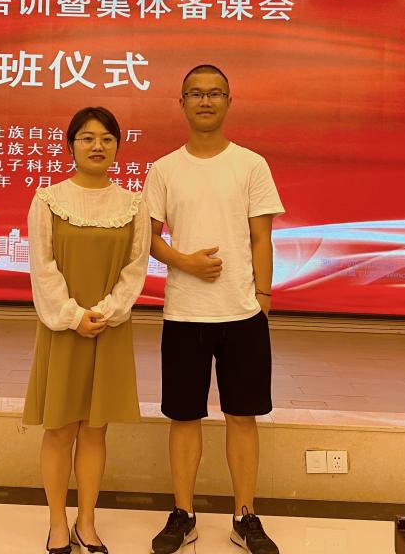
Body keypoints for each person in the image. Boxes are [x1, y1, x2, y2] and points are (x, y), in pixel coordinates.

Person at [144, 65, 285, 554]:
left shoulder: (251, 164)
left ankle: (245, 516)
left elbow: (262, 237)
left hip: (242, 315)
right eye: (196, 93)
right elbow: (149, 237)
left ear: (229, 101)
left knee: (242, 417)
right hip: (184, 313)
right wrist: (184, 262)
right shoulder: (164, 169)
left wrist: (263, 297)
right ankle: (183, 514)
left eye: (215, 93)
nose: (206, 101)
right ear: (181, 102)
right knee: (184, 418)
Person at [23, 106, 151, 554]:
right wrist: (73, 315)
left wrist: (108, 311)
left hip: (108, 328)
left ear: (118, 146)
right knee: (60, 429)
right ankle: (58, 522)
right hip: (63, 328)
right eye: (87, 138)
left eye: (107, 139)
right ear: (71, 145)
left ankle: (87, 522)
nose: (98, 146)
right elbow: (42, 267)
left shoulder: (133, 204)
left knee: (96, 430)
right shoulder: (48, 200)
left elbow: (135, 267)